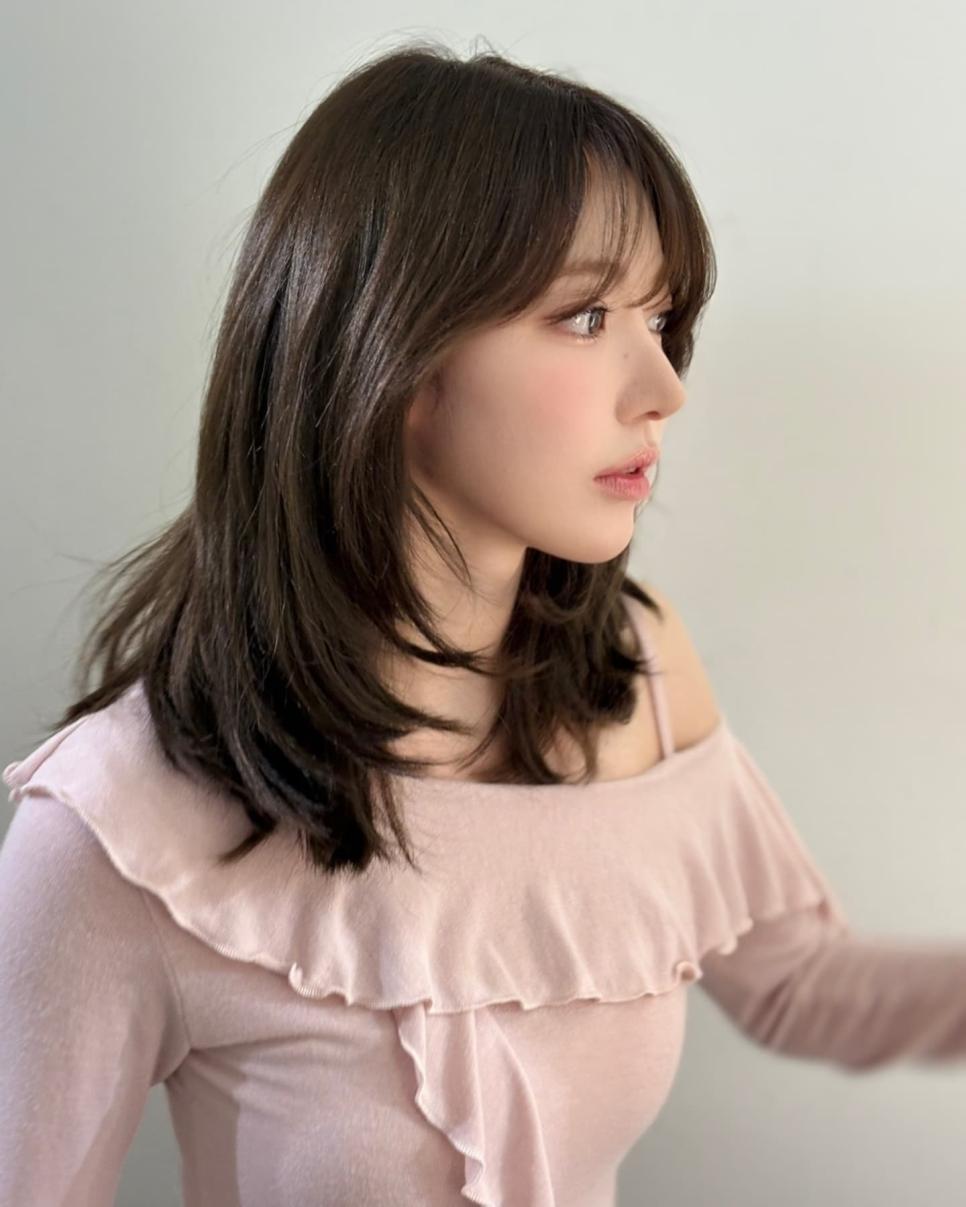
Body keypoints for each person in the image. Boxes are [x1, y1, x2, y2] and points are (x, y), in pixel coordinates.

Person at [2, 38, 965, 1207]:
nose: (664, 388)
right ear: (393, 344)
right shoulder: (114, 830)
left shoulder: (640, 671)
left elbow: (800, 982)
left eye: (661, 316)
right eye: (587, 314)